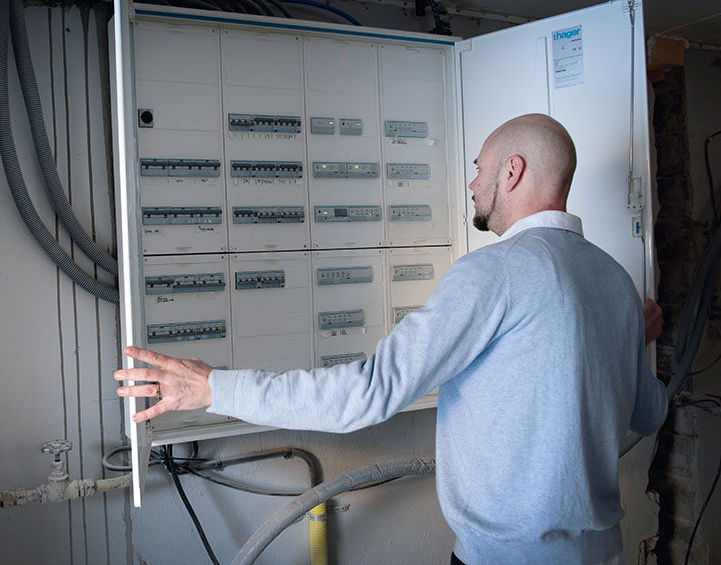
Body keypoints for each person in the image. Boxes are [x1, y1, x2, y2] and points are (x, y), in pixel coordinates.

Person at [114, 114, 668, 564]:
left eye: (479, 169)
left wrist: (216, 389)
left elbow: (368, 392)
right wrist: (625, 346)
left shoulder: (493, 274)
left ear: (513, 172)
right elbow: (647, 414)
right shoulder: (615, 282)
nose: (473, 184)